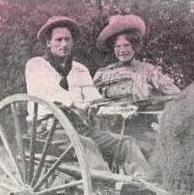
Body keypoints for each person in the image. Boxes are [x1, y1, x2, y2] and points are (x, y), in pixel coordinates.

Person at [25, 15, 151, 177]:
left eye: (68, 40)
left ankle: (146, 189)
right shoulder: (36, 65)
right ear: (48, 43)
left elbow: (94, 98)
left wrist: (119, 109)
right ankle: (106, 191)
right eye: (59, 40)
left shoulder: (80, 69)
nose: (64, 44)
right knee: (87, 145)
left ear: (73, 42)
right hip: (49, 132)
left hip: (80, 129)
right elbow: (51, 92)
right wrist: (79, 104)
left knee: (125, 143)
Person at [93, 14, 180, 102]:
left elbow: (176, 95)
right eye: (117, 46)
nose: (122, 50)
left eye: (126, 45)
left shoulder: (148, 70)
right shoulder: (104, 73)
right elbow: (91, 101)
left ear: (134, 46)